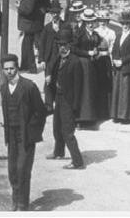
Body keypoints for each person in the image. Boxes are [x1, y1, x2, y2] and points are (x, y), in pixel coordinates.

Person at [0, 54, 46, 211]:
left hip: (26, 135)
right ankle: (15, 200)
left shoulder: (29, 86)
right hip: (11, 135)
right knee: (12, 170)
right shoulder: (4, 88)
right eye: (6, 69)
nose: (9, 72)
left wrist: (32, 131)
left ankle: (23, 204)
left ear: (17, 68)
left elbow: (41, 111)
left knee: (23, 169)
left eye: (12, 68)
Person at [46, 28, 85, 169]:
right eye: (59, 45)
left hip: (69, 100)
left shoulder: (75, 62)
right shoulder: (58, 58)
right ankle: (58, 152)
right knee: (57, 127)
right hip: (59, 97)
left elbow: (79, 87)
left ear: (70, 45)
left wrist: (75, 106)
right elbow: (52, 68)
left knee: (67, 131)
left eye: (64, 45)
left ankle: (77, 161)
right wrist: (49, 76)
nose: (62, 47)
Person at [111, 11, 130, 123]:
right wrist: (115, 60)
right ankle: (117, 115)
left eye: (127, 23)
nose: (125, 26)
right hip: (118, 67)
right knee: (118, 91)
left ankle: (127, 116)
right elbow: (114, 49)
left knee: (127, 92)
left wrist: (122, 61)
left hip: (128, 67)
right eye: (123, 23)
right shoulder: (118, 35)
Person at [71, 8, 101, 126]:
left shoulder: (96, 35)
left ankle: (90, 117)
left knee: (90, 89)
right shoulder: (79, 34)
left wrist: (96, 53)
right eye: (88, 22)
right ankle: (79, 118)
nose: (90, 24)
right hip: (82, 64)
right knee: (82, 90)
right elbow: (73, 48)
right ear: (85, 22)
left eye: (92, 22)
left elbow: (97, 46)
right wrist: (87, 53)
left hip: (92, 65)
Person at [39, 0, 66, 113]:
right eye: (52, 13)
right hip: (49, 57)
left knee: (59, 80)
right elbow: (42, 44)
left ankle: (59, 105)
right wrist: (41, 60)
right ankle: (49, 106)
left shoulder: (64, 25)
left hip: (61, 57)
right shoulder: (47, 27)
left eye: (56, 13)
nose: (54, 15)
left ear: (60, 13)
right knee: (48, 80)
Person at [17, 0, 44, 73]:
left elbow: (28, 10)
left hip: (29, 24)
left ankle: (31, 68)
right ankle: (25, 65)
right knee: (25, 45)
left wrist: (19, 7)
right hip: (29, 24)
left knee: (28, 46)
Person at [94, 10, 116, 121]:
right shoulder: (95, 31)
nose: (102, 23)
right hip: (96, 59)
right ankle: (97, 111)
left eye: (104, 20)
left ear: (107, 21)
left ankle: (107, 111)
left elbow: (113, 47)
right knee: (97, 83)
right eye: (100, 20)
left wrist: (107, 53)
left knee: (107, 83)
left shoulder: (111, 32)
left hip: (106, 59)